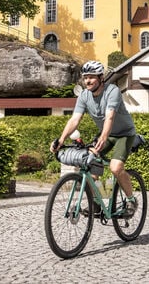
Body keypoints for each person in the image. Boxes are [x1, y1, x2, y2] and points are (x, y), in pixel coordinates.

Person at [51, 60, 137, 216]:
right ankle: (96, 203)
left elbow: (110, 117)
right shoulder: (84, 96)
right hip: (105, 133)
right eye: (85, 78)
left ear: (101, 78)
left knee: (115, 168)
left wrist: (103, 137)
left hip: (124, 134)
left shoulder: (112, 91)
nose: (87, 81)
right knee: (89, 165)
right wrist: (61, 139)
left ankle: (131, 199)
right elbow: (74, 119)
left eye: (91, 77)